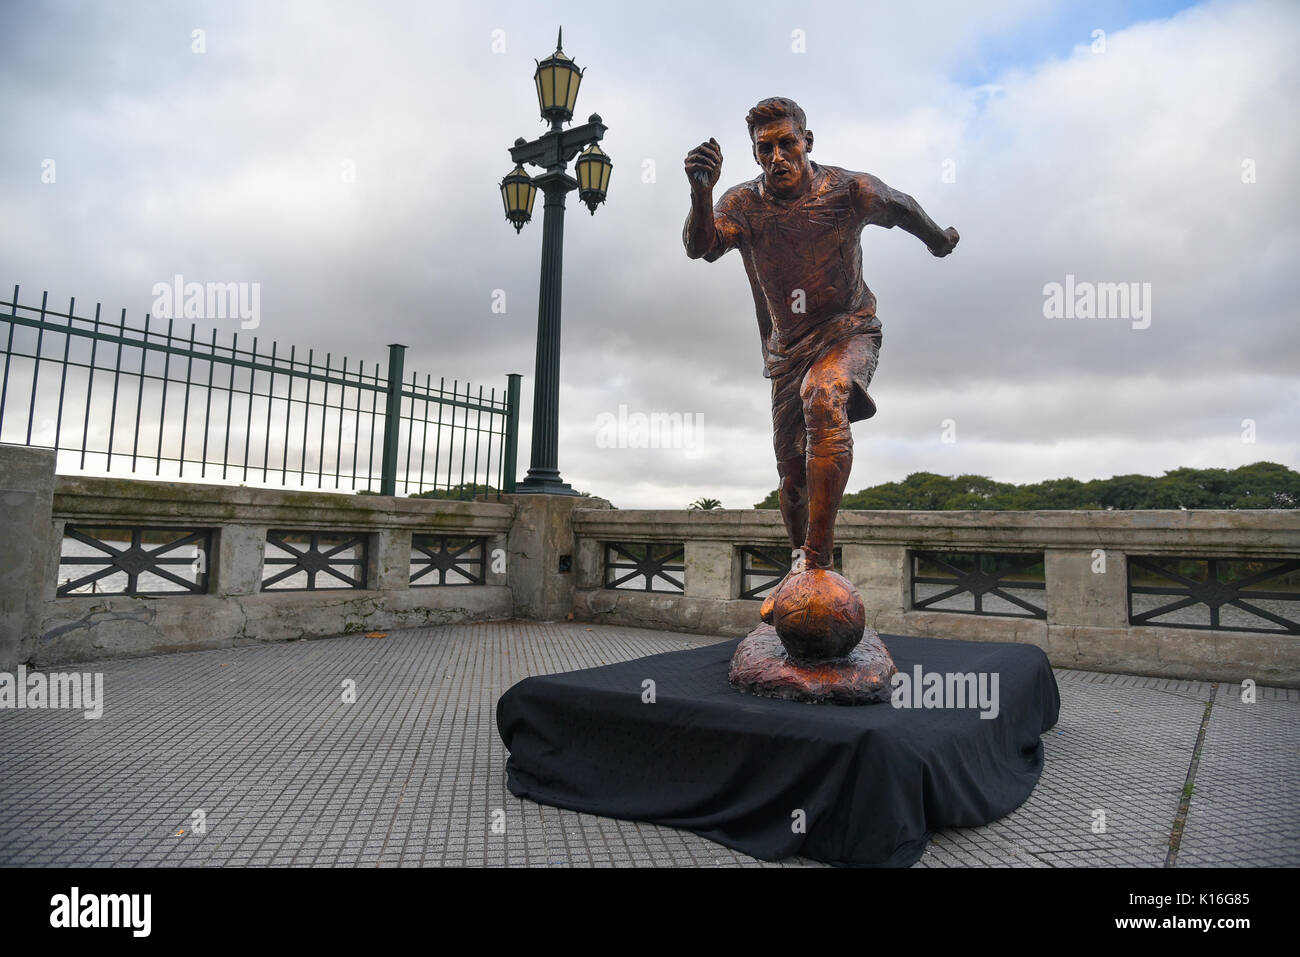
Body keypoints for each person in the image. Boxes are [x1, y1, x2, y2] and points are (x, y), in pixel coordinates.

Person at [683, 97, 959, 620]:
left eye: (788, 142)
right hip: (787, 350)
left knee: (824, 395)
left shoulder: (851, 191)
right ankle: (798, 564)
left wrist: (939, 240)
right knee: (791, 474)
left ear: (808, 141)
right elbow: (702, 247)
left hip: (848, 329)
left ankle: (818, 563)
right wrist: (702, 192)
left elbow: (902, 207)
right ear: (755, 154)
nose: (778, 156)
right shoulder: (742, 205)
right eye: (765, 149)